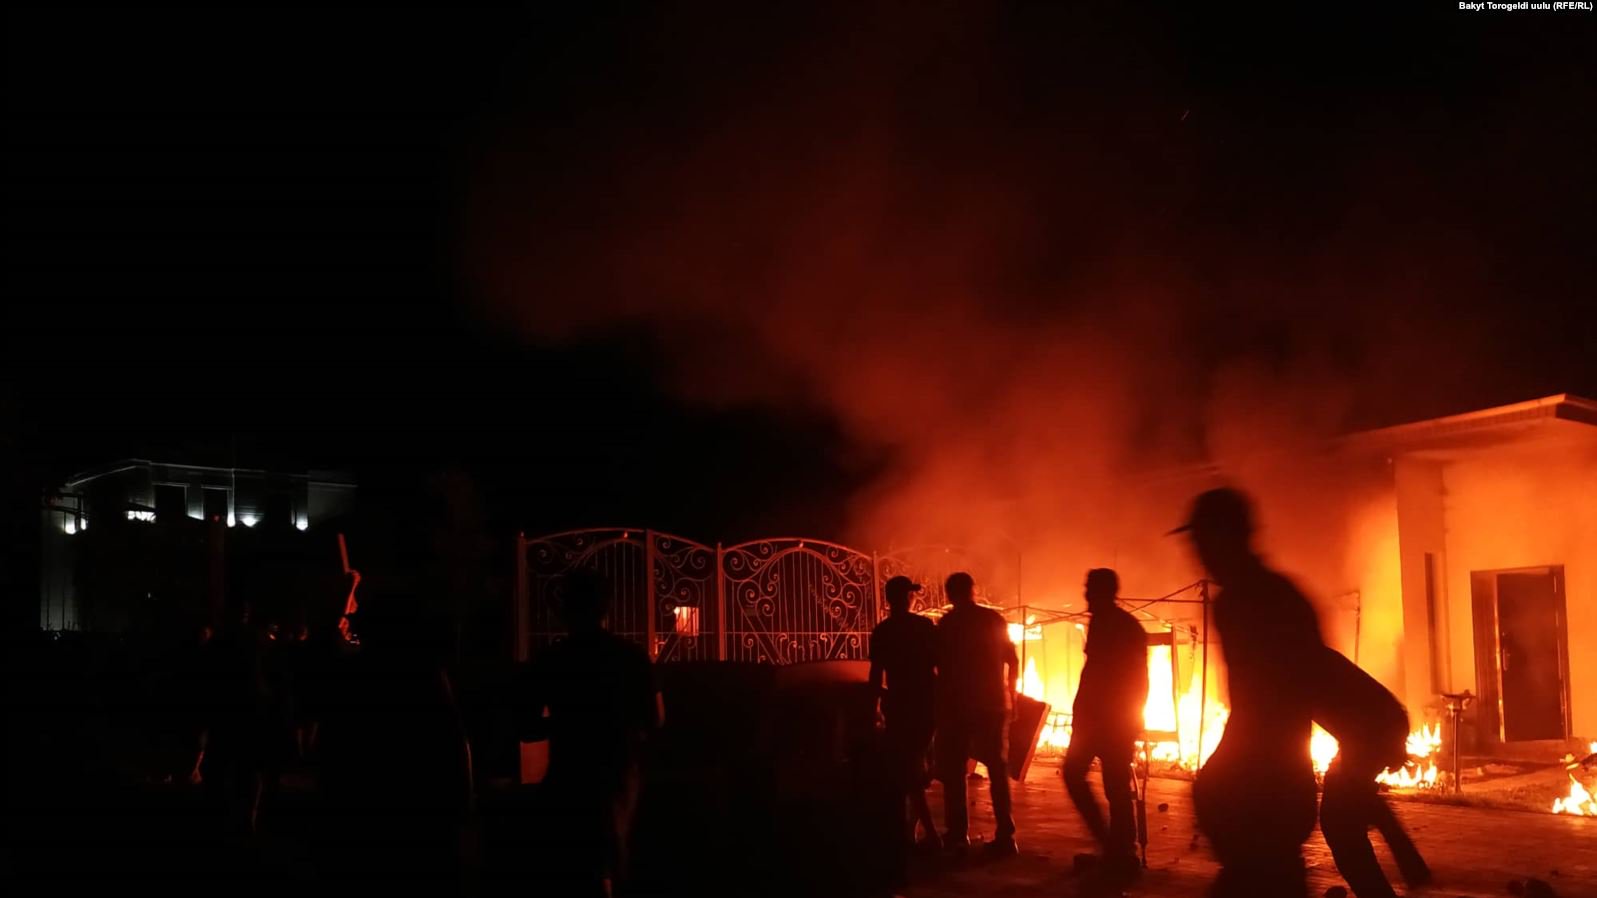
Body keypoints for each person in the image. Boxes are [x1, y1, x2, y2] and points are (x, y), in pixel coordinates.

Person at [1171, 487, 1326, 898]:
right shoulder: (1280, 595)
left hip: (1261, 796)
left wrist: (1216, 783)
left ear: (1226, 537)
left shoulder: (1245, 602)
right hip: (1282, 791)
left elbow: (1264, 704)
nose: (1198, 554)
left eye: (1202, 541)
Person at [520, 569, 662, 897]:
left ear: (565, 609)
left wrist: (566, 724)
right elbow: (655, 719)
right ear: (606, 606)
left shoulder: (552, 660)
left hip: (568, 774)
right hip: (618, 774)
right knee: (607, 861)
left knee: (577, 865)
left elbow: (525, 726)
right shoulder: (632, 657)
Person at [1312, 646, 1431, 898]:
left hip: (1371, 734)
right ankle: (1413, 867)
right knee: (1355, 799)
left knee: (1339, 820)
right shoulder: (1306, 653)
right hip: (1382, 725)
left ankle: (1378, 891)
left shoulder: (1289, 662)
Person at [1062, 568, 1148, 884]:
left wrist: (1128, 718)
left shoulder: (1121, 626)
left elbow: (1134, 678)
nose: (1085, 594)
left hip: (1109, 720)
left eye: (1090, 588)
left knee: (1111, 785)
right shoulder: (1106, 622)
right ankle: (1116, 848)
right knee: (1109, 784)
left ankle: (1119, 851)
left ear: (1103, 592)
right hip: (1100, 719)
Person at [933, 571, 1019, 858]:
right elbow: (1012, 660)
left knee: (955, 769)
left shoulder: (948, 624)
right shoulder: (993, 620)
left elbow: (939, 666)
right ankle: (1006, 835)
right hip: (992, 704)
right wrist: (1012, 694)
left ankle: (958, 835)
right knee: (997, 768)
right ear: (973, 590)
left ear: (950, 594)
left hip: (958, 706)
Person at [868, 575, 940, 853]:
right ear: (905, 597)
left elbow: (876, 674)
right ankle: (926, 832)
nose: (913, 597)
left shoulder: (883, 631)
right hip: (924, 705)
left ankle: (914, 830)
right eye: (910, 593)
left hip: (899, 705)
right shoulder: (924, 627)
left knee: (909, 769)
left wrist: (873, 707)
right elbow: (940, 665)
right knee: (914, 769)